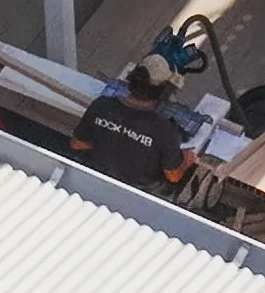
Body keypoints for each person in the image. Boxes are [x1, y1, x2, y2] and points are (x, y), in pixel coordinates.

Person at [71, 51, 194, 190]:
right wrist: (187, 160)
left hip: (96, 178)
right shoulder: (165, 129)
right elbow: (173, 176)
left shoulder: (102, 105)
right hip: (138, 191)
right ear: (163, 90)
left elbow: (77, 144)